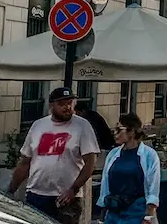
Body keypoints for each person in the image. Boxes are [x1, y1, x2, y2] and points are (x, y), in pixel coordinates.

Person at [8, 87, 100, 224]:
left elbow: (90, 162)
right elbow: (25, 162)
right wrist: (10, 192)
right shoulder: (38, 126)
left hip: (66, 197)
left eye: (70, 103)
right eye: (62, 104)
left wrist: (73, 189)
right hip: (36, 194)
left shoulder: (82, 126)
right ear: (51, 105)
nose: (67, 107)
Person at [98, 113, 161, 224]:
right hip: (114, 211)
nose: (115, 133)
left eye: (119, 129)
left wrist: (148, 215)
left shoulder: (149, 155)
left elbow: (153, 186)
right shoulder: (113, 154)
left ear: (131, 131)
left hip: (136, 212)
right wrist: (102, 215)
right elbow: (105, 184)